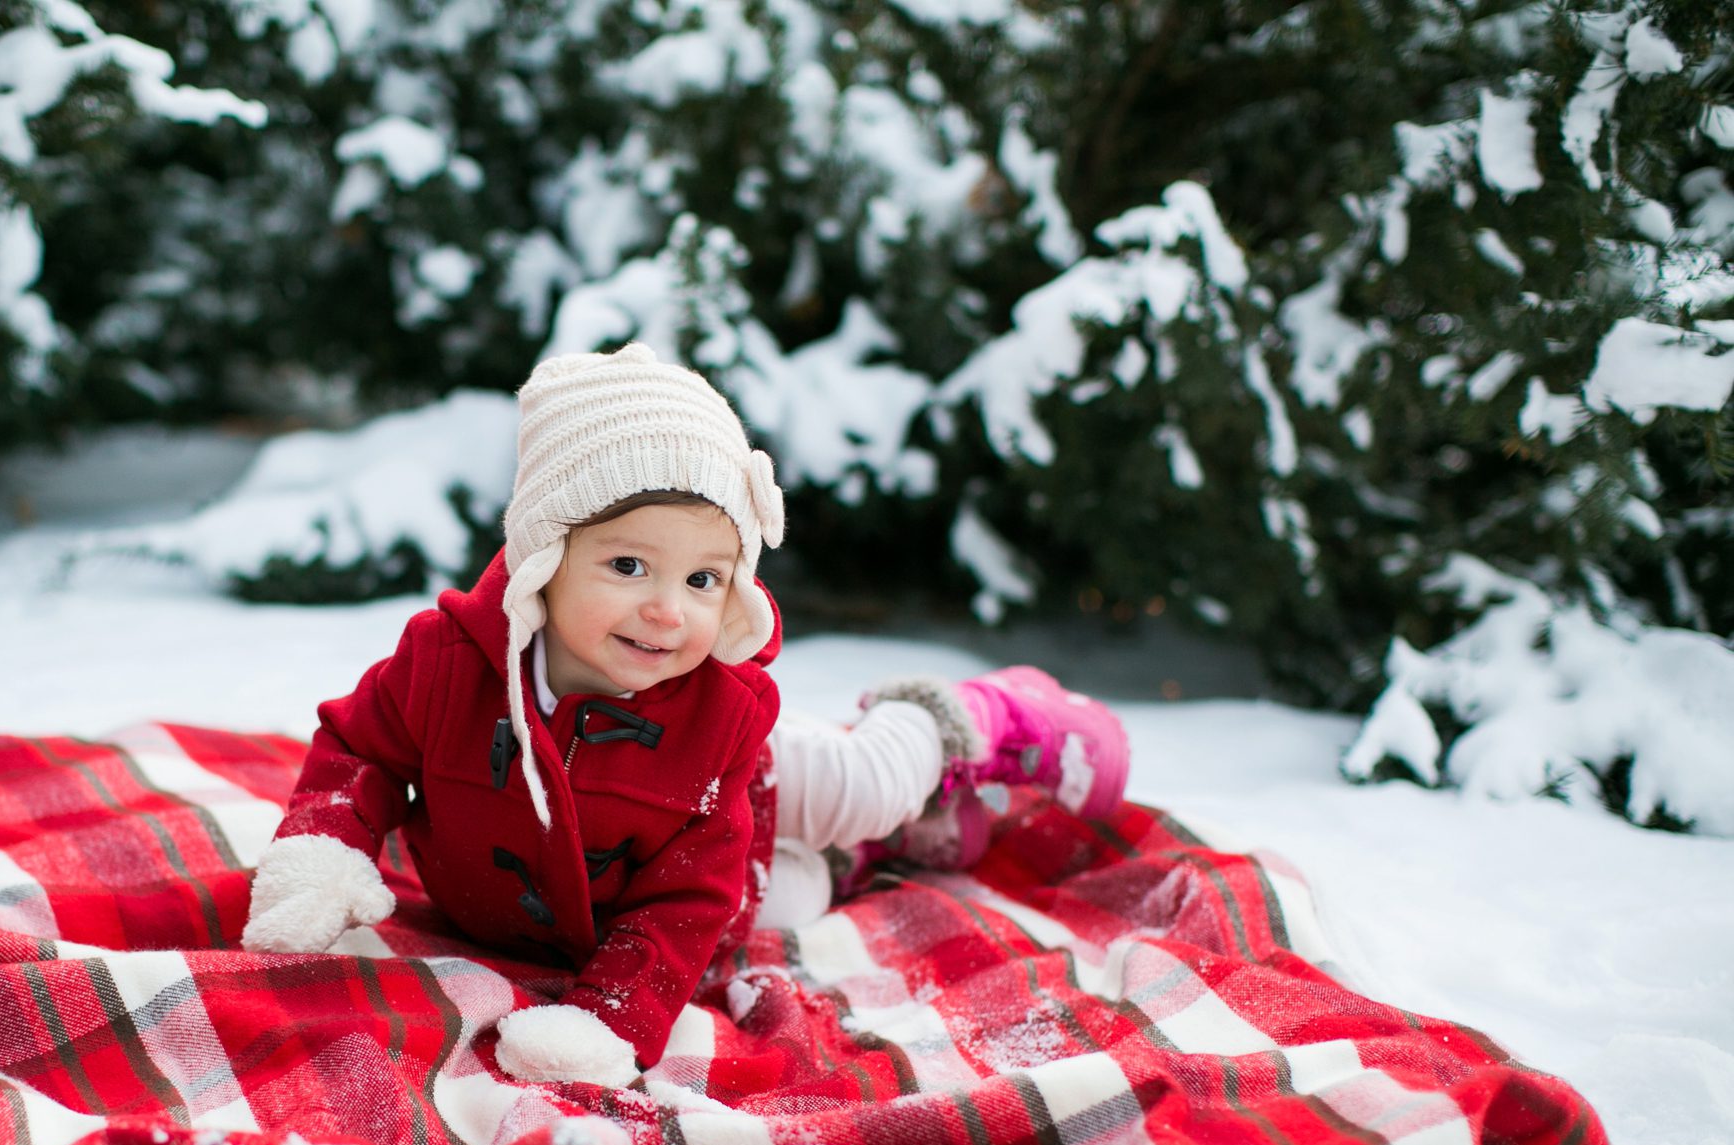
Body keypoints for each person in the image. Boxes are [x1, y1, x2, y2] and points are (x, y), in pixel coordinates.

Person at [241, 343, 1130, 1087]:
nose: (669, 610)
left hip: (753, 784)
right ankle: (882, 847)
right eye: (629, 566)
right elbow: (360, 747)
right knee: (791, 901)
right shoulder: (447, 664)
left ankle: (975, 720)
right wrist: (326, 851)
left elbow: (689, 893)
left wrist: (611, 1016)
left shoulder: (720, 711)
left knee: (866, 788)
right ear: (544, 554)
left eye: (704, 579)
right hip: (662, 883)